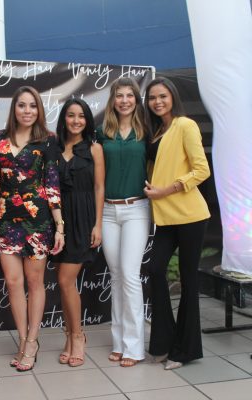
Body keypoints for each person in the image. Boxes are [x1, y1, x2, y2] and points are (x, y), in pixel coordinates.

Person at [0, 86, 64, 372]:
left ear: (39, 110)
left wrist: (59, 226)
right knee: (13, 282)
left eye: (32, 105)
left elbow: (52, 183)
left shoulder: (48, 140)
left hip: (38, 221)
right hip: (6, 219)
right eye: (22, 105)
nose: (27, 110)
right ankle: (22, 339)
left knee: (35, 282)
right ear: (14, 108)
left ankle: (33, 341)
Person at [144, 77, 210, 370]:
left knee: (188, 280)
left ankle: (184, 351)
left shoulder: (185, 125)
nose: (157, 102)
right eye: (152, 98)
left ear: (172, 97)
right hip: (166, 217)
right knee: (155, 269)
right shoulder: (158, 130)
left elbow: (201, 170)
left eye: (162, 96)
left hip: (190, 215)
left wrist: (166, 190)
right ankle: (163, 342)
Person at [96, 77, 150, 367]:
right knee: (116, 276)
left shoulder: (147, 130)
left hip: (136, 209)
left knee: (129, 275)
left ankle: (134, 346)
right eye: (120, 95)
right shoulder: (102, 132)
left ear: (136, 99)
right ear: (113, 100)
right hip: (107, 211)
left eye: (130, 95)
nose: (125, 100)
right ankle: (118, 343)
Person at [52, 98, 104, 367]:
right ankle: (69, 337)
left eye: (81, 116)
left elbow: (99, 187)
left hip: (83, 219)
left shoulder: (95, 149)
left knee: (65, 280)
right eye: (71, 115)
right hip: (57, 221)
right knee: (64, 283)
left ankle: (78, 336)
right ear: (64, 118)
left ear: (87, 120)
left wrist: (98, 224)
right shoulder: (54, 147)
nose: (76, 120)